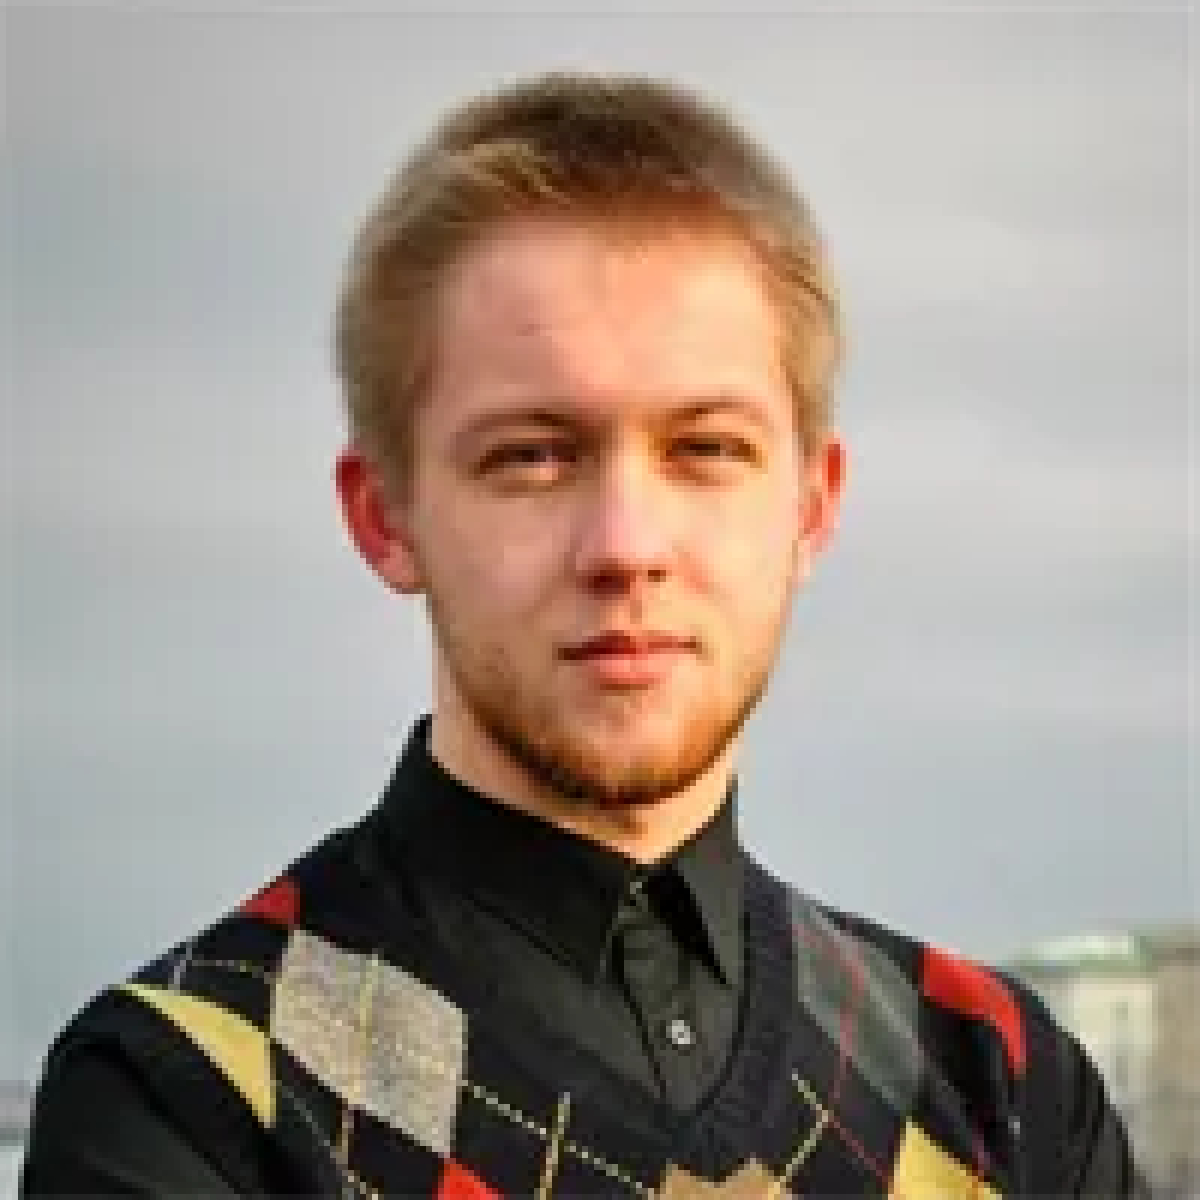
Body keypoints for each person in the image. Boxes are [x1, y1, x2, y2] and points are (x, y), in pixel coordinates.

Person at [21, 72, 1146, 1197]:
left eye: (705, 449)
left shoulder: (1000, 1083)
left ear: (811, 508)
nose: (625, 546)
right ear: (385, 517)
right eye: (532, 457)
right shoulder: (198, 1093)